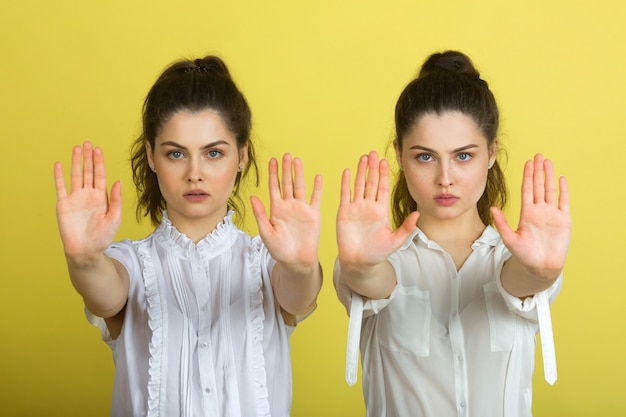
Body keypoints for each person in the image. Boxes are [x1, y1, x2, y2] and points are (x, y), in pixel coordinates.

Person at [54, 55, 323, 417]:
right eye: (176, 154)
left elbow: (299, 295)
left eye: (214, 153)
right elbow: (105, 294)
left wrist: (302, 265)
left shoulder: (267, 260)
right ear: (151, 156)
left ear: (242, 156)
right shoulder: (130, 263)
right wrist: (84, 260)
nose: (194, 173)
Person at [334, 50, 571, 416]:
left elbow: (518, 281)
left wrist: (541, 272)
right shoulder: (379, 258)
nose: (445, 178)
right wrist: (361, 266)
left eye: (463, 156)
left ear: (491, 152)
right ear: (399, 154)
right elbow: (373, 279)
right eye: (425, 157)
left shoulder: (515, 259)